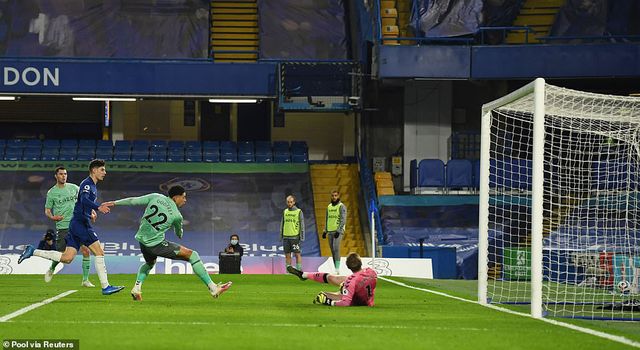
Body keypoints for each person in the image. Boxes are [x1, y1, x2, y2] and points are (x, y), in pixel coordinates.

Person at [104, 185, 232, 301]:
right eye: (183, 197)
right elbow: (179, 234)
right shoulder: (177, 215)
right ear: (176, 197)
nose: (185, 200)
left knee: (149, 263)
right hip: (157, 245)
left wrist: (114, 203)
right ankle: (213, 288)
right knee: (193, 255)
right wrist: (179, 229)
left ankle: (137, 288)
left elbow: (133, 201)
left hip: (142, 241)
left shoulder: (155, 197)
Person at [19, 159, 124, 296]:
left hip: (75, 223)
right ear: (94, 170)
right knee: (99, 252)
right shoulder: (87, 184)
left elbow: (81, 201)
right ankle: (105, 287)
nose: (105, 172)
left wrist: (90, 211)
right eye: (102, 169)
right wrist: (97, 207)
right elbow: (85, 199)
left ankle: (33, 251)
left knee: (67, 258)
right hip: (81, 224)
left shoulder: (85, 185)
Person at [44, 166, 95, 287]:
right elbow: (47, 210)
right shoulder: (52, 193)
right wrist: (52, 217)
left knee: (86, 250)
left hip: (79, 223)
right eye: (61, 174)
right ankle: (52, 268)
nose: (63, 176)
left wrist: (91, 211)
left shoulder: (74, 188)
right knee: (62, 254)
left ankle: (85, 280)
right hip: (63, 226)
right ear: (56, 176)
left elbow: (85, 200)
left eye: (65, 174)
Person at [287, 252, 377, 307]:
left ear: (348, 266)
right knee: (334, 278)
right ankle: (304, 275)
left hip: (358, 302)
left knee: (323, 295)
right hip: (365, 298)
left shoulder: (351, 281)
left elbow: (345, 303)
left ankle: (305, 276)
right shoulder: (371, 272)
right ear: (360, 262)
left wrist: (329, 302)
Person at [323, 190, 347, 274]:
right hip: (330, 230)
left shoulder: (341, 206)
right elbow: (327, 219)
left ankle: (337, 269)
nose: (334, 197)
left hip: (338, 231)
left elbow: (343, 219)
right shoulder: (329, 207)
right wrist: (325, 230)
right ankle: (335, 268)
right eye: (332, 195)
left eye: (335, 195)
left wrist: (339, 230)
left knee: (336, 248)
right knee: (332, 249)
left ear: (339, 196)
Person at [280, 195, 304, 270]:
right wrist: (281, 235)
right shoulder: (285, 211)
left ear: (294, 202)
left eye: (291, 202)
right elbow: (282, 224)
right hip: (286, 237)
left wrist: (302, 237)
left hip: (295, 237)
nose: (289, 203)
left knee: (297, 254)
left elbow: (302, 225)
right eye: (288, 202)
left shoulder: (299, 211)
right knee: (287, 255)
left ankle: (299, 270)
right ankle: (289, 271)